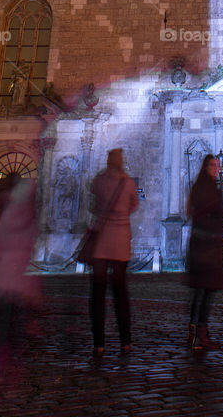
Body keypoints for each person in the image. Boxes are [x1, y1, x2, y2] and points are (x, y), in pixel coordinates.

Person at [0, 173, 41, 372]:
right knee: (20, 320)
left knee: (4, 319)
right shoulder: (33, 221)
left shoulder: (5, 219)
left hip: (3, 278)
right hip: (23, 280)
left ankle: (1, 359)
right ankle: (17, 358)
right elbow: (36, 249)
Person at [88, 148, 139, 359]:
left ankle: (99, 342)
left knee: (98, 294)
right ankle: (125, 341)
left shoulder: (99, 181)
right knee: (120, 292)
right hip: (119, 242)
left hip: (100, 242)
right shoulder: (127, 182)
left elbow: (92, 204)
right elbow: (134, 205)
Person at [184, 154, 223, 350]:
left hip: (210, 244)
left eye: (217, 165)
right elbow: (196, 213)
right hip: (203, 245)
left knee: (206, 291)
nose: (216, 168)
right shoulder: (202, 188)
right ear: (205, 166)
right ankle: (195, 334)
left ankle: (200, 331)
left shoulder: (212, 187)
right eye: (212, 165)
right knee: (202, 291)